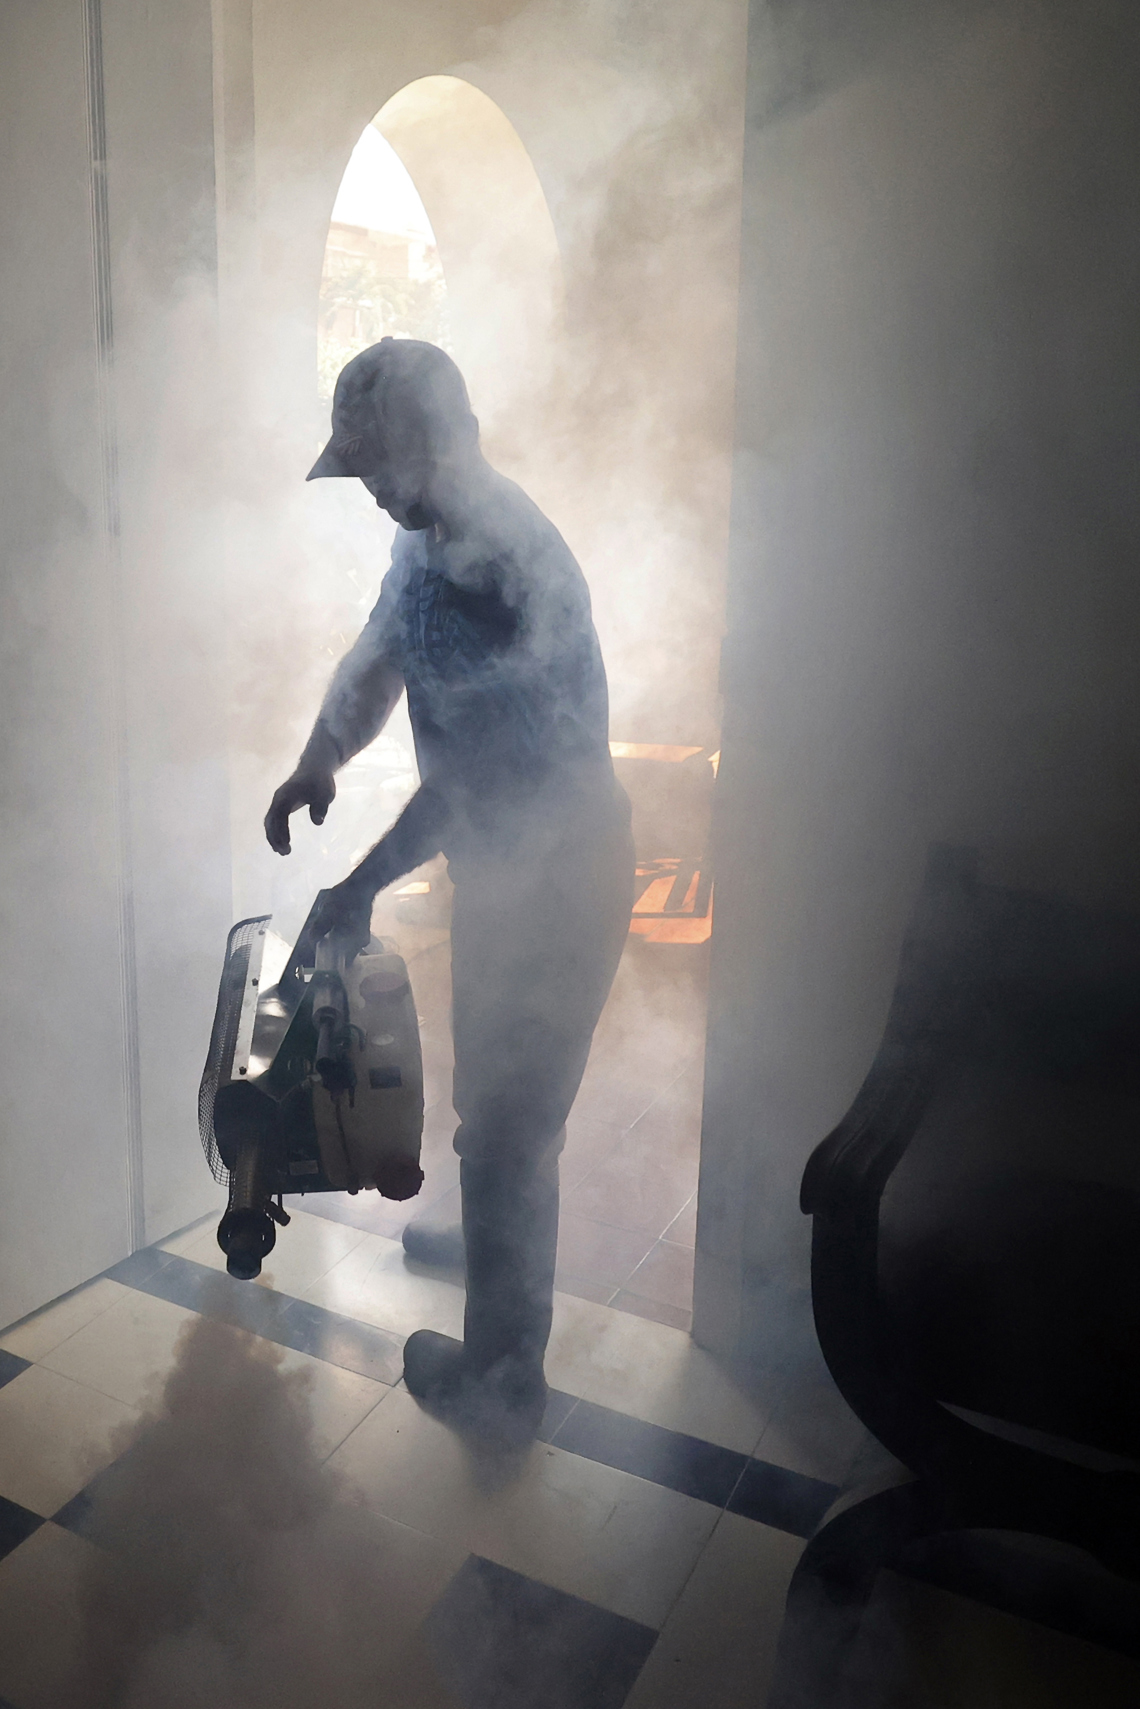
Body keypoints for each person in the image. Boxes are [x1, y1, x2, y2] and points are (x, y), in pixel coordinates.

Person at [265, 338, 633, 1439]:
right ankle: (487, 1255)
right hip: (507, 876)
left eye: (377, 465)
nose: (370, 488)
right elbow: (381, 651)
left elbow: (477, 781)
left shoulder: (505, 568)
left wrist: (358, 885)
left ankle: (505, 1379)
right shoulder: (427, 540)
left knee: (512, 1129)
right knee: (493, 1115)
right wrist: (320, 757)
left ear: (433, 444)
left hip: (559, 880)